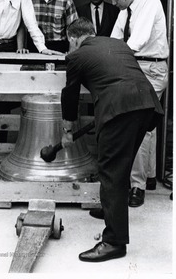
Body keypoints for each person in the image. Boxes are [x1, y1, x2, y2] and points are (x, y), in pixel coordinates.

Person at [61, 17, 163, 262]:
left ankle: (114, 242)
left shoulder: (75, 57)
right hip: (147, 106)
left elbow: (70, 95)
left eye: (70, 43)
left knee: (110, 173)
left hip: (119, 111)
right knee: (121, 167)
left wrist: (67, 131)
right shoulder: (118, 45)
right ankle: (111, 210)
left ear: (73, 39)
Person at [106, 0, 169, 207]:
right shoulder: (126, 10)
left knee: (138, 124)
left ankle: (136, 186)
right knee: (148, 125)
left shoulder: (150, 0)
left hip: (151, 67)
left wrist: (112, 59)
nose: (113, 3)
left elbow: (138, 40)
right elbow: (114, 39)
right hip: (137, 65)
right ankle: (149, 178)